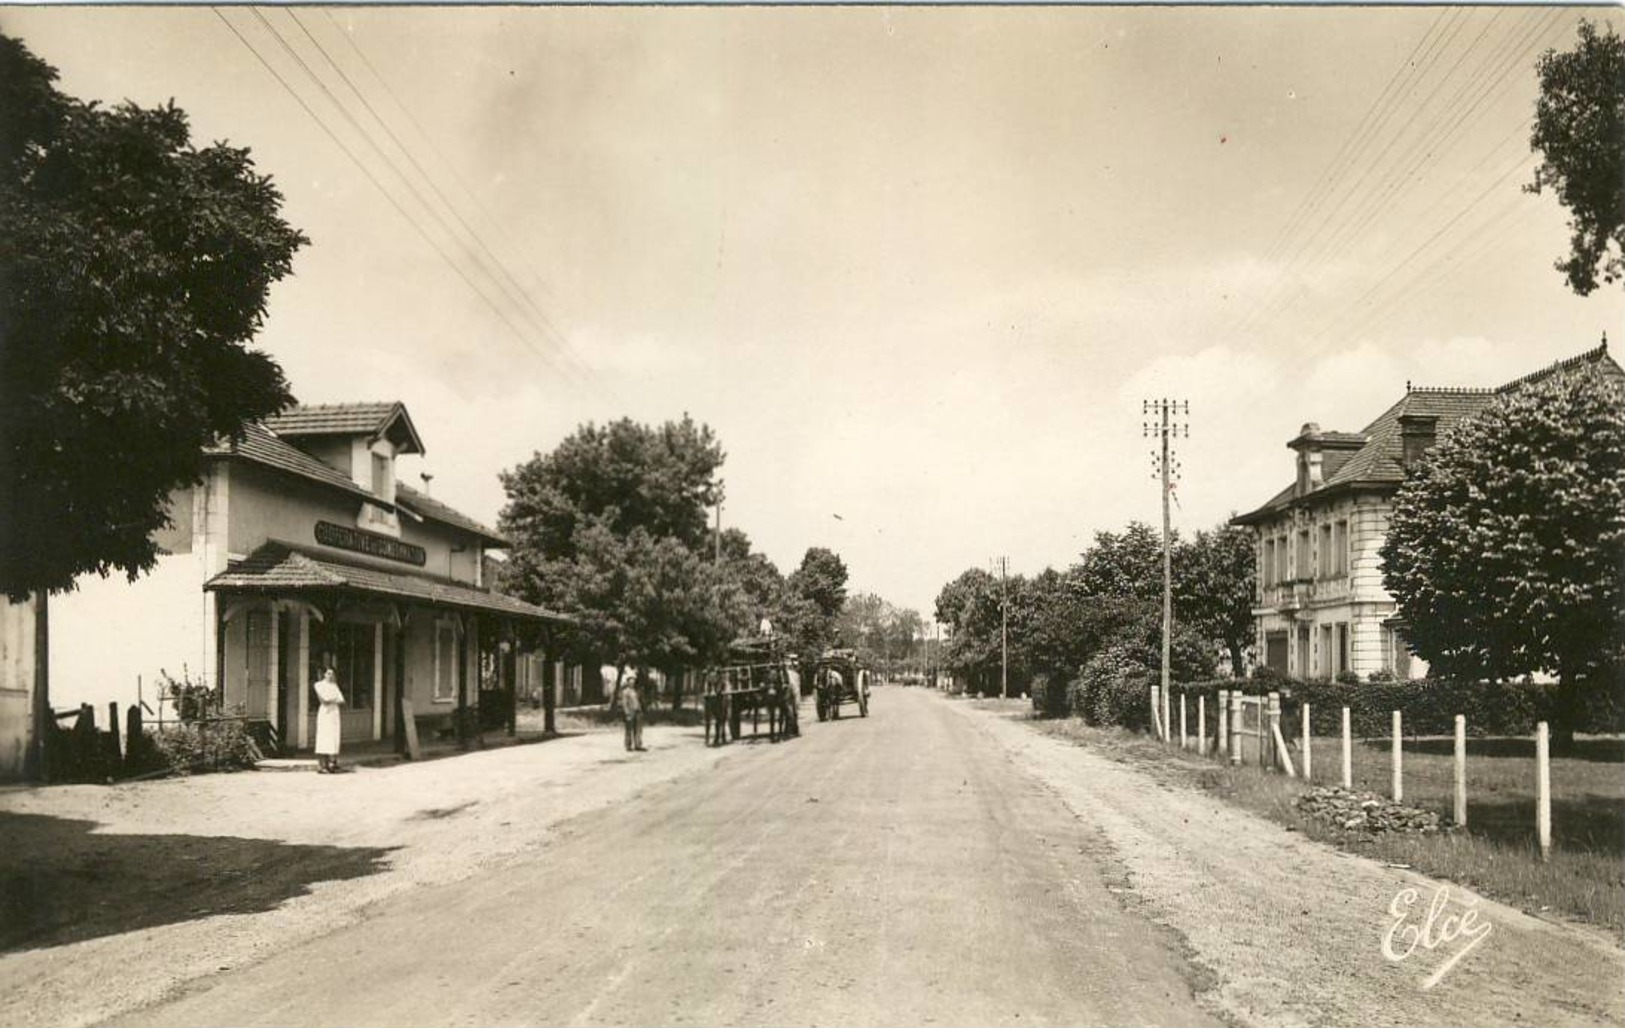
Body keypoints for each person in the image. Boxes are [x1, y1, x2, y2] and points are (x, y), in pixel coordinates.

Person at [313, 667, 345, 773]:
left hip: (334, 713)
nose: (330, 676)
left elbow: (341, 699)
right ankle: (322, 765)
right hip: (325, 713)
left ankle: (332, 763)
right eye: (328, 673)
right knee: (324, 737)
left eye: (332, 674)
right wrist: (334, 699)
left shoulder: (334, 685)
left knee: (334, 737)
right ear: (324, 674)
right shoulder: (318, 685)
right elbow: (324, 700)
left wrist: (333, 699)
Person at [620, 680, 644, 752]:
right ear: (628, 683)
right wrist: (627, 713)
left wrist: (641, 710)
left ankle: (638, 745)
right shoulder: (625, 692)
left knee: (638, 729)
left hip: (637, 711)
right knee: (629, 729)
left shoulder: (636, 691)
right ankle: (628, 745)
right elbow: (624, 703)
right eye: (631, 681)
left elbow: (639, 701)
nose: (632, 683)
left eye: (633, 681)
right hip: (630, 712)